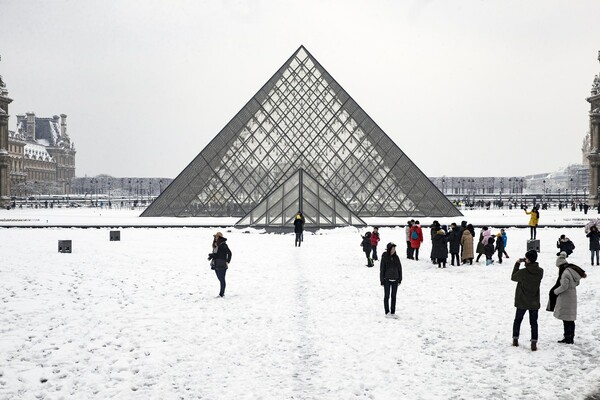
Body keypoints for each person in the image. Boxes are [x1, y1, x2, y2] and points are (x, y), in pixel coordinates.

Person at [550, 252, 587, 344]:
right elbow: (577, 283)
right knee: (570, 319)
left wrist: (555, 292)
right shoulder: (572, 270)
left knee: (566, 319)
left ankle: (568, 338)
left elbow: (564, 286)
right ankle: (570, 337)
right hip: (572, 295)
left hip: (565, 297)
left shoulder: (565, 273)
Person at [511, 250, 544, 351]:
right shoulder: (540, 271)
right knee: (533, 322)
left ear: (528, 260)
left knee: (518, 320)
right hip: (534, 300)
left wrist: (517, 264)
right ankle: (534, 342)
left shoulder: (523, 272)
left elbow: (513, 277)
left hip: (522, 301)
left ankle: (515, 339)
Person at [380, 242, 402, 318]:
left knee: (394, 296)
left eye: (394, 249)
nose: (393, 250)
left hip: (395, 280)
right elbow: (382, 269)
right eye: (392, 249)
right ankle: (387, 312)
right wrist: (382, 280)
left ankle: (393, 312)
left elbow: (399, 269)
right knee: (387, 296)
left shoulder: (397, 257)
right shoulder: (385, 257)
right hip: (387, 280)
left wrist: (400, 279)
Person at [208, 232, 232, 298]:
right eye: (215, 237)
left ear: (220, 237)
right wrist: (212, 256)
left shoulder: (223, 245)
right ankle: (222, 293)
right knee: (220, 278)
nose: (215, 238)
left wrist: (227, 261)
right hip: (216, 263)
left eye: (217, 237)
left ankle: (221, 294)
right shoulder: (216, 244)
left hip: (221, 264)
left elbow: (229, 253)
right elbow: (217, 254)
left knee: (222, 279)